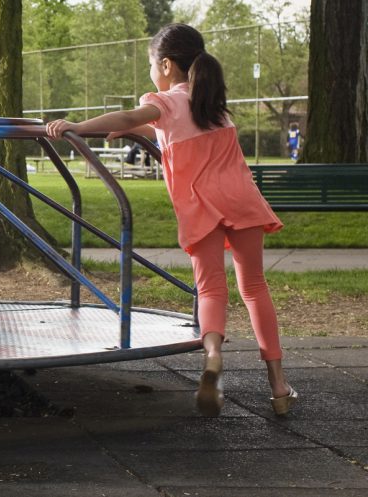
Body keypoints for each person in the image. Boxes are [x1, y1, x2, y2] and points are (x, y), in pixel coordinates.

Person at [45, 23, 296, 418]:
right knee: (254, 288)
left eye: (150, 64)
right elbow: (166, 126)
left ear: (165, 64)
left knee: (211, 289)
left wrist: (79, 126)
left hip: (201, 207)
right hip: (242, 201)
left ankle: (213, 356)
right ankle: (279, 387)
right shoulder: (211, 102)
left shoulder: (163, 101)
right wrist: (129, 129)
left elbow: (135, 114)